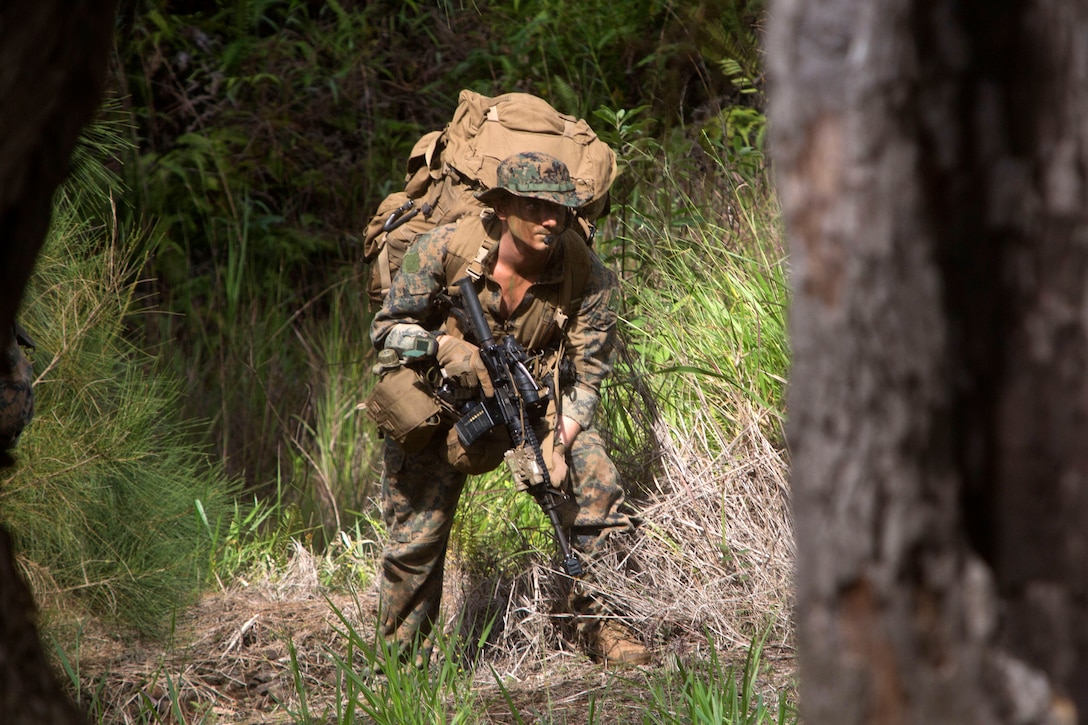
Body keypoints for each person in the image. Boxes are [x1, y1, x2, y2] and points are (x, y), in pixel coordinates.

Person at [369, 151, 650, 667]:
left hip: (534, 402)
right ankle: (399, 666)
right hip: (445, 397)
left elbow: (588, 374)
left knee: (597, 486)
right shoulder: (444, 247)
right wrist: (443, 349)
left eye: (561, 209)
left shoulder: (588, 274)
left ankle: (600, 624)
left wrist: (561, 441)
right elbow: (385, 332)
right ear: (502, 208)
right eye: (536, 207)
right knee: (415, 540)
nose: (551, 220)